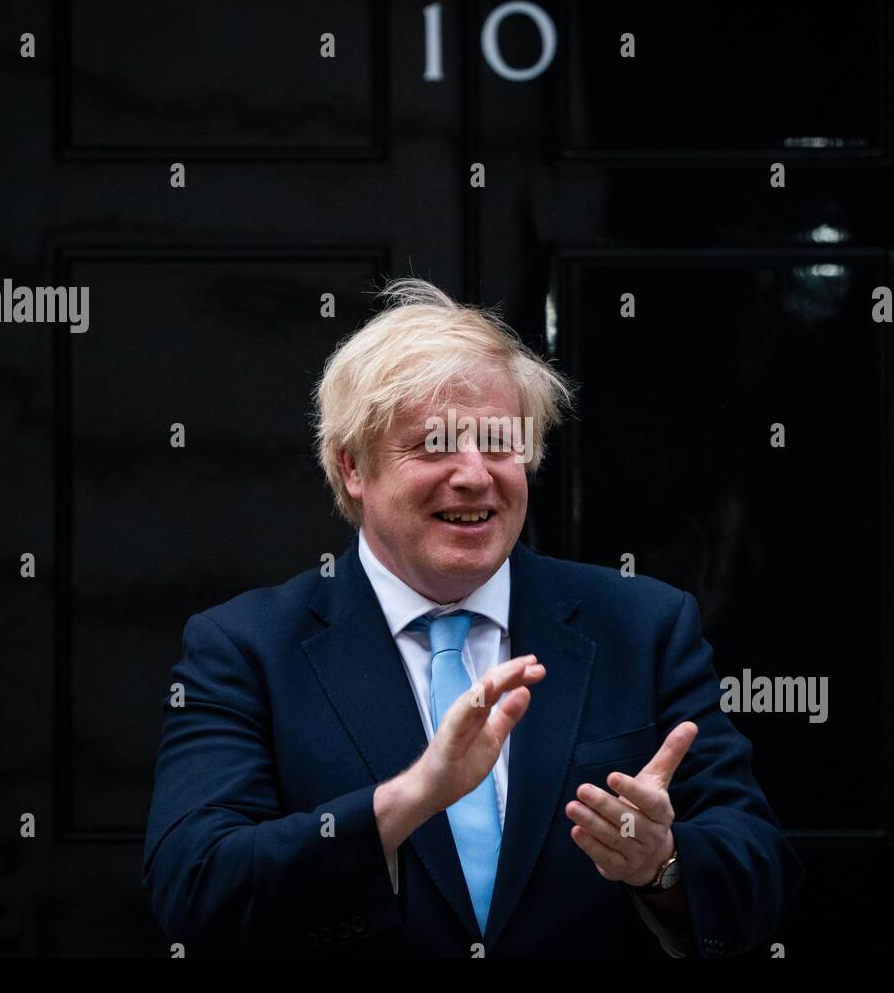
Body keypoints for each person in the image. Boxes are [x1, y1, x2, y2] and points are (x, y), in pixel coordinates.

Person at [142, 278, 803, 957]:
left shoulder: (643, 625)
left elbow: (760, 872)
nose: (474, 475)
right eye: (433, 445)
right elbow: (195, 889)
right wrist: (405, 802)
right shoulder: (245, 648)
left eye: (498, 442)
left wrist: (661, 865)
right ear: (352, 467)